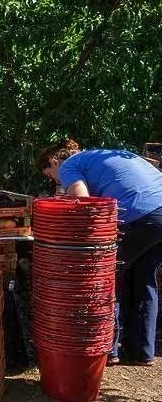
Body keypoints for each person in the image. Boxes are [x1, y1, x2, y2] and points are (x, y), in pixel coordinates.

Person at [37, 139, 162, 365]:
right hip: (159, 211)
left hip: (140, 216)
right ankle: (142, 352)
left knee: (106, 277)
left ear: (54, 161)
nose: (56, 180)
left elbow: (84, 204)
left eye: (50, 175)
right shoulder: (105, 154)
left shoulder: (69, 165)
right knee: (144, 278)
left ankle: (108, 350)